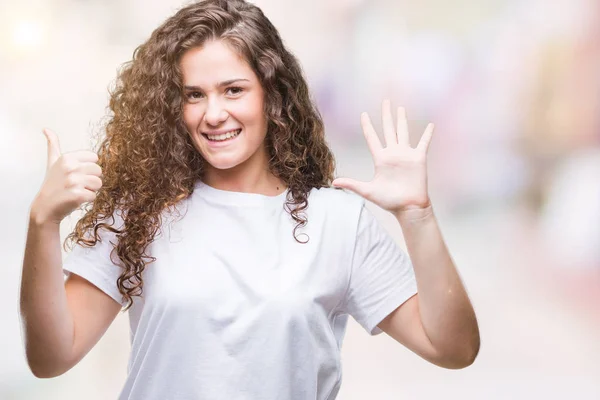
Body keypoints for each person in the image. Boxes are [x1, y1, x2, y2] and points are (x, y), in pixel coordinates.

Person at [19, 0, 480, 398]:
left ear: (271, 95)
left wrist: (417, 217)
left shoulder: (337, 221)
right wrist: (42, 223)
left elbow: (454, 348)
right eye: (193, 95)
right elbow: (50, 357)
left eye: (233, 90)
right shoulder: (139, 212)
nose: (214, 114)